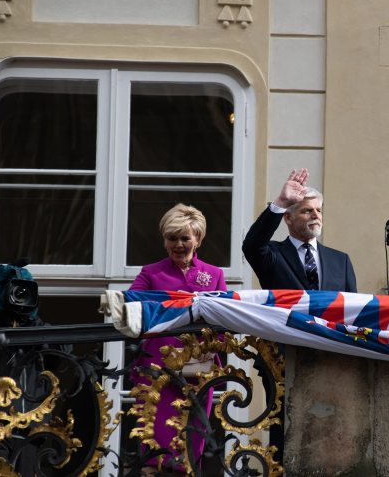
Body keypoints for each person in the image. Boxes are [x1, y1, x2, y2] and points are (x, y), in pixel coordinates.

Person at [129, 204, 226, 473]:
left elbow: (225, 319)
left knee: (188, 450)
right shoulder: (151, 272)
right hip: (156, 370)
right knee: (153, 450)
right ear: (164, 240)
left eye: (185, 238)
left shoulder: (214, 274)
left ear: (198, 239)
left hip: (197, 369)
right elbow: (132, 305)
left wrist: (212, 344)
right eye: (172, 238)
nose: (179, 245)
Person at [242, 168, 357, 292]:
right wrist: (281, 202)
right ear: (288, 218)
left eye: (318, 210)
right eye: (307, 211)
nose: (316, 215)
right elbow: (252, 245)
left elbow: (352, 301)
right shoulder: (273, 254)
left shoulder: (341, 260)